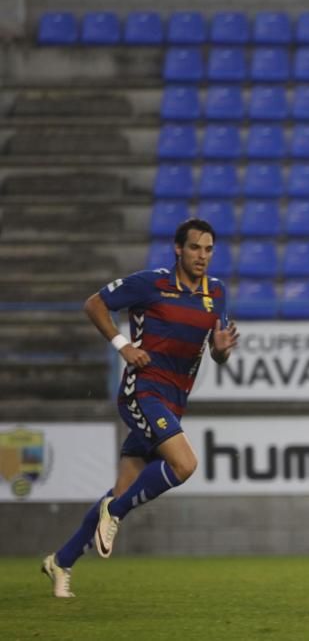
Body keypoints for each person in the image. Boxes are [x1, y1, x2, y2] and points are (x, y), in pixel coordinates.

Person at [41, 218, 238, 598]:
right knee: (185, 464)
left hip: (173, 401)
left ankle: (61, 561)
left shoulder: (217, 292)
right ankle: (113, 513)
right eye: (195, 248)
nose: (203, 256)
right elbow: (94, 304)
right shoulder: (152, 283)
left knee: (122, 488)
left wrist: (222, 351)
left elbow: (216, 350)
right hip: (142, 392)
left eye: (209, 249)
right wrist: (122, 345)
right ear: (178, 249)